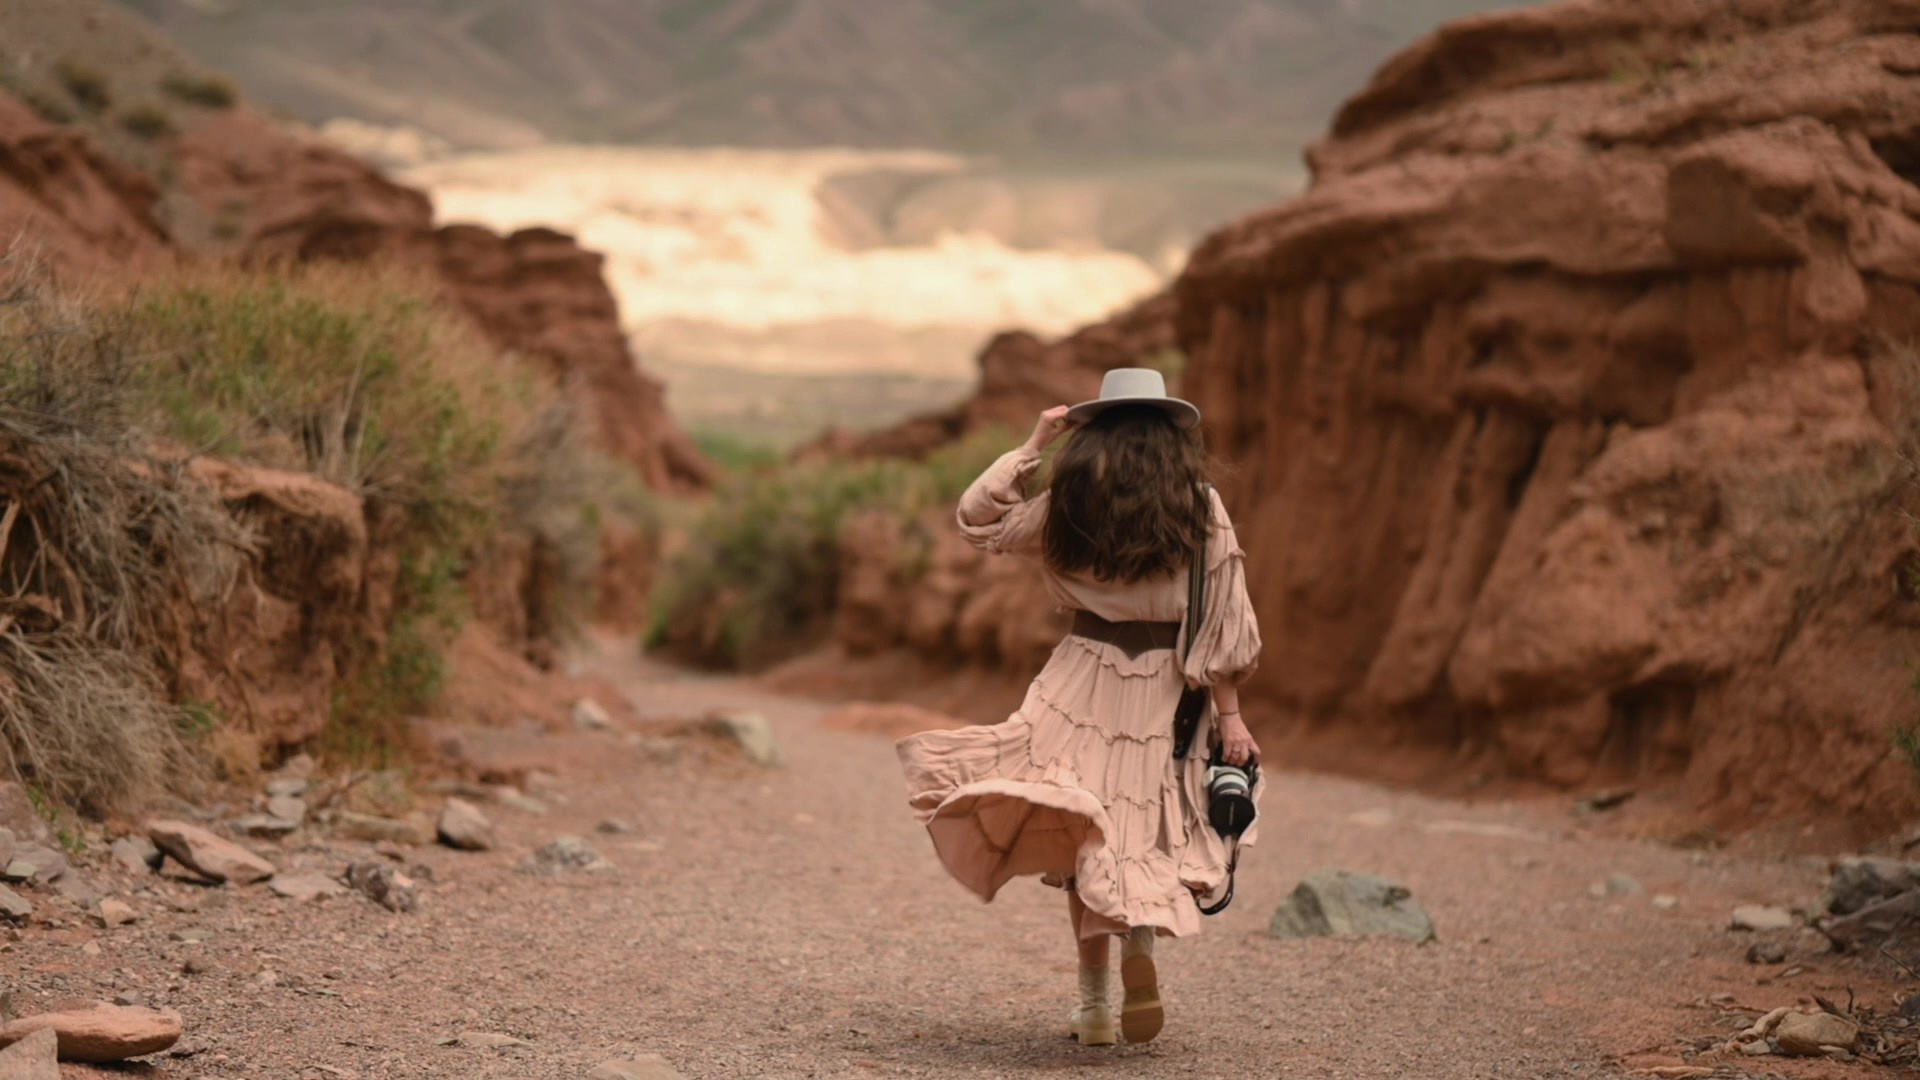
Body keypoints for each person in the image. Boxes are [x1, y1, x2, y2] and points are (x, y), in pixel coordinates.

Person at [896, 367, 1263, 1047]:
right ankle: (1141, 949)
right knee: (1140, 830)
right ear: (1169, 437)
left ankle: (1094, 1008)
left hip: (1080, 677)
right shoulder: (1199, 504)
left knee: (1079, 831)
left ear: (1093, 435)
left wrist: (1032, 446)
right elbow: (1223, 621)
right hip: (1166, 687)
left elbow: (980, 523)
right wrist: (1231, 716)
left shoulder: (1071, 501)